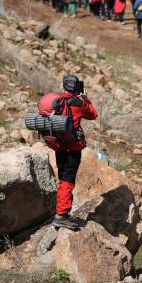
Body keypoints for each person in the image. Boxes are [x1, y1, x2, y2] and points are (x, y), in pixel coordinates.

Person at [49, 74, 98, 230]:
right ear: (76, 87)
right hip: (72, 148)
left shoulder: (56, 100)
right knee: (68, 180)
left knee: (63, 177)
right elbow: (93, 114)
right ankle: (61, 216)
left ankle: (62, 211)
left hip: (58, 146)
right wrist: (85, 98)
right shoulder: (78, 102)